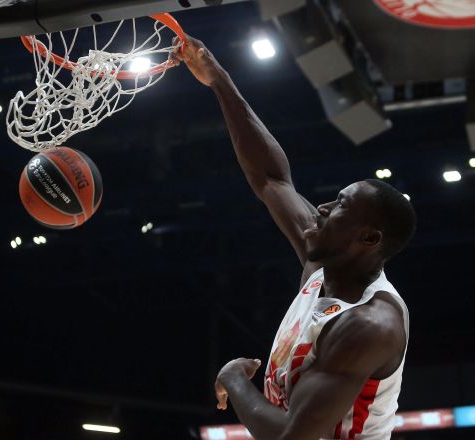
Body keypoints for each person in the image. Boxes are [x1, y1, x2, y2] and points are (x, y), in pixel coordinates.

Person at [173, 36, 416, 440]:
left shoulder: (371, 325)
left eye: (339, 205)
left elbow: (293, 438)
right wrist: (219, 79)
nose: (321, 207)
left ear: (369, 238)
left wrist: (234, 380)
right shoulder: (324, 259)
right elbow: (270, 177)